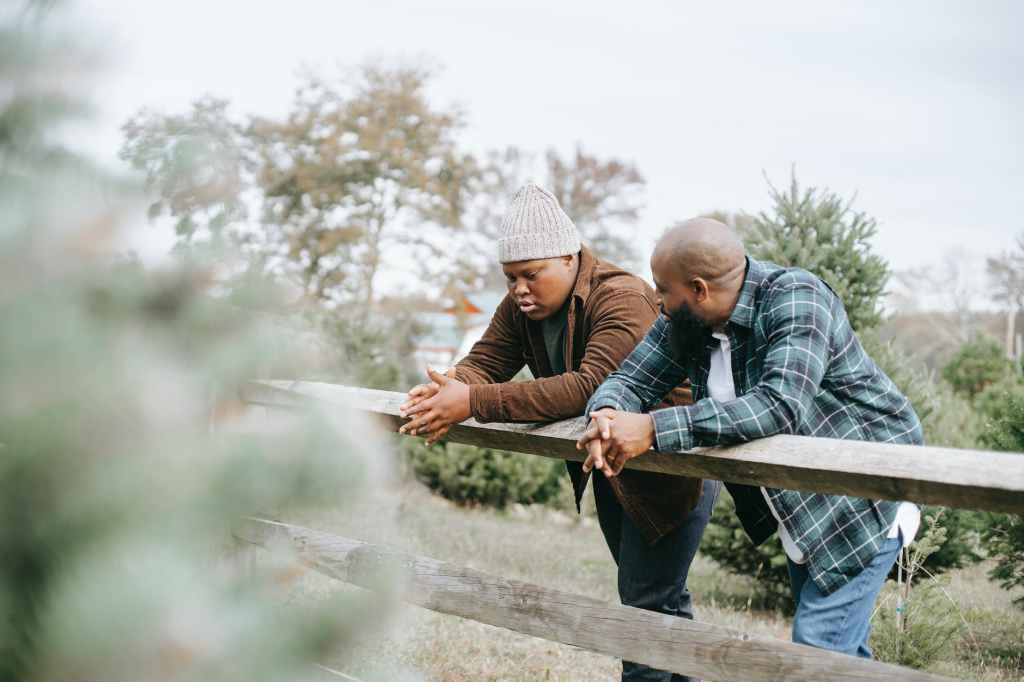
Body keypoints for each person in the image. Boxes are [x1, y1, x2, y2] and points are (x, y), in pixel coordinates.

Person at [399, 184, 720, 682]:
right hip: (616, 470)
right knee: (658, 605)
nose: (520, 289)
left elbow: (591, 386)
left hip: (671, 469)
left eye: (532, 274)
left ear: (570, 258)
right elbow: (486, 362)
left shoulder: (623, 297)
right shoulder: (520, 308)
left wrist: (473, 401)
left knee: (644, 610)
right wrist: (447, 389)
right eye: (510, 277)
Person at [578, 217, 922, 659]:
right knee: (843, 654)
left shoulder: (797, 297)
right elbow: (630, 378)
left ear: (699, 289)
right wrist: (606, 415)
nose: (659, 303)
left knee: (817, 650)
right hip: (800, 502)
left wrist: (653, 429)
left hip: (865, 490)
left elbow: (779, 405)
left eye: (664, 290)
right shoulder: (688, 322)